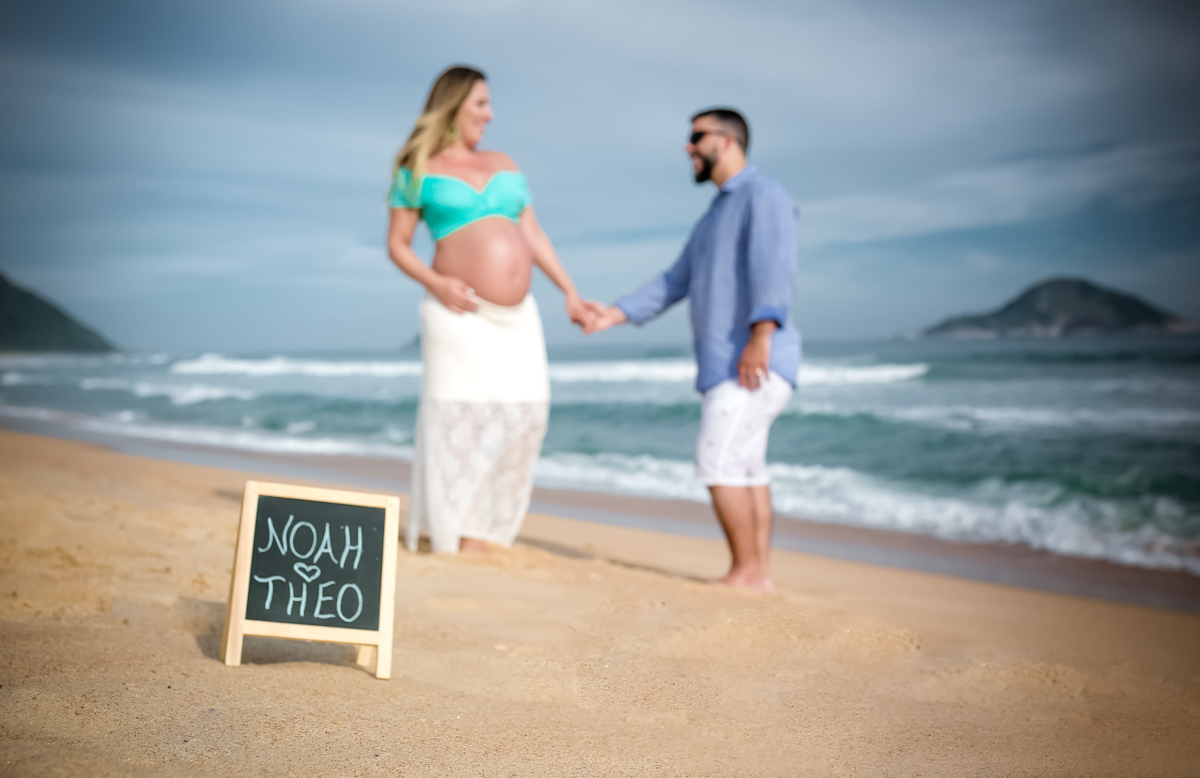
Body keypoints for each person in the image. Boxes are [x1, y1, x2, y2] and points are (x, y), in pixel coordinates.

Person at [586, 108, 800, 593]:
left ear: (727, 140)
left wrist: (760, 336)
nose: (688, 147)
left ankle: (746, 573)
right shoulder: (714, 216)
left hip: (748, 360)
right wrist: (613, 314)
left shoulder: (763, 194)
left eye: (696, 137)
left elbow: (775, 267)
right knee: (746, 467)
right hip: (735, 362)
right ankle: (757, 575)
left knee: (717, 464)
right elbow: (674, 281)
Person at [386, 65, 594, 553]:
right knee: (458, 419)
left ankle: (487, 529)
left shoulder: (505, 162)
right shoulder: (415, 167)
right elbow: (398, 245)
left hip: (518, 317)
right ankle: (454, 532)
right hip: (456, 312)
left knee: (526, 413)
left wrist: (570, 290)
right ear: (454, 105)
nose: (490, 114)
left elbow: (533, 234)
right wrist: (438, 283)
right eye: (481, 104)